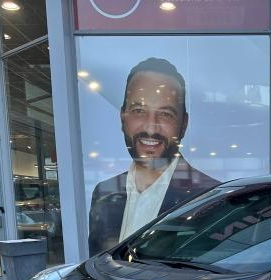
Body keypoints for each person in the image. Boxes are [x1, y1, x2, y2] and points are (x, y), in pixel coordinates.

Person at [88, 57, 220, 254]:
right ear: (123, 117)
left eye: (166, 114)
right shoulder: (103, 193)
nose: (151, 128)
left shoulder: (211, 198)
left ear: (183, 124)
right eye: (139, 110)